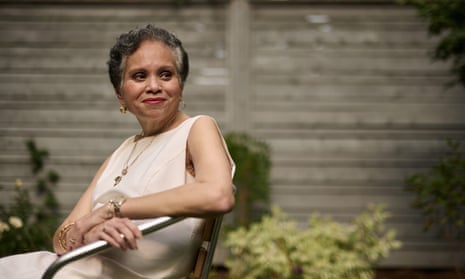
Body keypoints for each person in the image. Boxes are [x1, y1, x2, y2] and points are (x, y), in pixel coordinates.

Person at [0, 24, 235, 279]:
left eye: (166, 74)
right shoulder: (121, 152)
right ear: (120, 94)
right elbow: (60, 239)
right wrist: (89, 234)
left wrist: (115, 209)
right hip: (72, 268)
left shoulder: (197, 128)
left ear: (180, 86)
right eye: (139, 76)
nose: (154, 85)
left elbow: (218, 195)